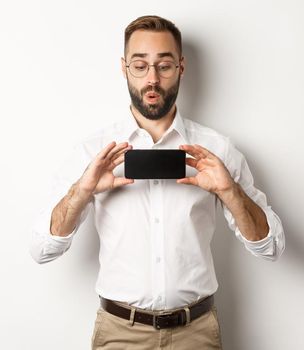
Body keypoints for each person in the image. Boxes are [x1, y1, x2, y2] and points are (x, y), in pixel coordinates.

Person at [29, 15, 285, 349]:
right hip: (119, 333)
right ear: (124, 68)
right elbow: (41, 250)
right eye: (140, 65)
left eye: (164, 65)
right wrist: (82, 191)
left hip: (196, 333)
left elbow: (272, 248)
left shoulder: (217, 150)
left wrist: (229, 191)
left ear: (181, 67)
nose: (152, 79)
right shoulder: (93, 152)